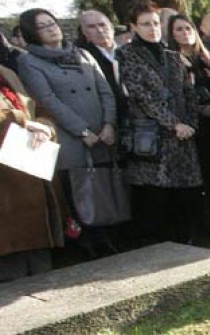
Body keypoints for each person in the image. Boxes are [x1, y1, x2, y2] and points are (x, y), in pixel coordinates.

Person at [17, 8, 118, 258]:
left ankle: (111, 239)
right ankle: (86, 245)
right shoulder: (29, 60)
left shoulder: (82, 54)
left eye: (52, 22)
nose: (52, 28)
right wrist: (82, 130)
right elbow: (48, 100)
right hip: (71, 138)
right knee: (80, 195)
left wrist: (108, 124)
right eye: (42, 26)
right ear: (32, 32)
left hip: (101, 133)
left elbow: (104, 90)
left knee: (104, 190)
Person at [118, 2, 209, 245]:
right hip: (153, 139)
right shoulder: (128, 55)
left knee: (185, 196)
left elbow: (189, 93)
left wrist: (189, 123)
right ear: (134, 27)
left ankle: (185, 241)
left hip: (183, 137)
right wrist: (173, 124)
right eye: (146, 24)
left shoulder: (173, 57)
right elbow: (142, 96)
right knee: (154, 199)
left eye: (156, 23)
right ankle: (154, 247)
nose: (152, 28)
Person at [167, 14, 210, 239]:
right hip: (191, 130)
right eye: (179, 29)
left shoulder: (208, 59)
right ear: (172, 34)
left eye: (188, 28)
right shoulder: (172, 61)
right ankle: (198, 228)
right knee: (196, 182)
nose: (185, 33)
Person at [0, 64, 62, 282]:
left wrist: (45, 127)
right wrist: (24, 123)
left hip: (30, 170)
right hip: (6, 187)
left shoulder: (7, 73)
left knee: (39, 262)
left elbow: (39, 110)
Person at [77, 10, 128, 140]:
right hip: (103, 123)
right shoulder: (81, 57)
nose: (99, 30)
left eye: (102, 24)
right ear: (84, 32)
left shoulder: (129, 52)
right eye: (91, 27)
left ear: (111, 27)